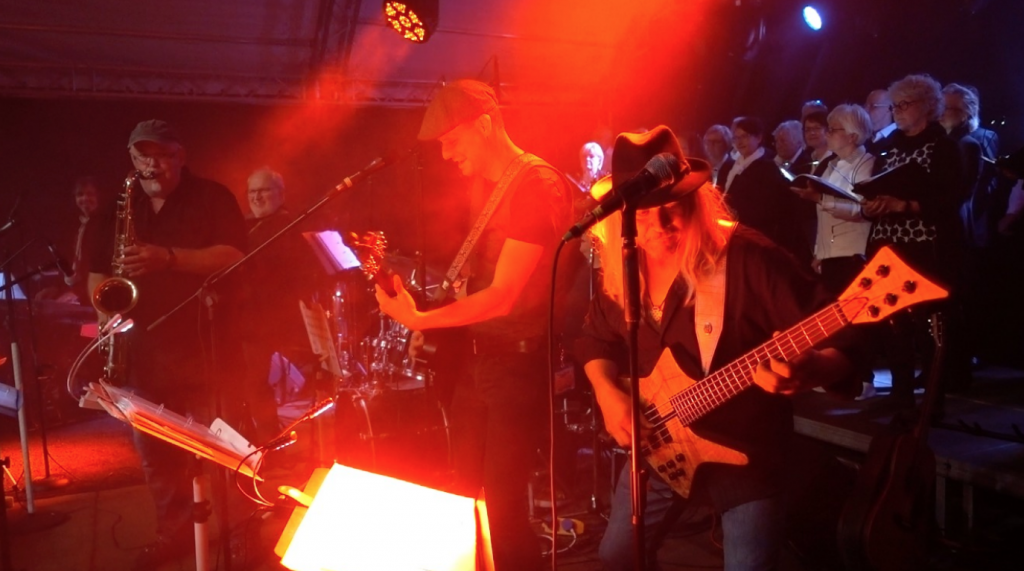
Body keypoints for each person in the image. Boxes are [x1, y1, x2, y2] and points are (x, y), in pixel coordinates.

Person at [576, 126, 859, 571]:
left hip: (744, 455)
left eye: (672, 209)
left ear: (694, 200)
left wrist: (814, 369)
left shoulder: (748, 256)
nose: (660, 227)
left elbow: (848, 335)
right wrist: (608, 395)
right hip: (659, 447)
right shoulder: (622, 265)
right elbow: (595, 339)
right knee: (617, 556)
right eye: (644, 216)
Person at [374, 79, 578, 571]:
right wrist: (432, 318)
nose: (446, 155)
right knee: (466, 498)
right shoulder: (488, 188)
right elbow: (475, 281)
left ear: (484, 125)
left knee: (503, 511)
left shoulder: (537, 186)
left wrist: (423, 317)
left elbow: (505, 296)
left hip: (518, 365)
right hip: (480, 361)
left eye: (452, 141)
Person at [88, 119, 247, 570]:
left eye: (160, 155)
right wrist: (104, 314)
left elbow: (235, 256)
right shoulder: (118, 208)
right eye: (142, 156)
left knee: (220, 451)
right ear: (131, 158)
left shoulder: (212, 197)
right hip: (140, 352)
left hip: (205, 349)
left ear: (181, 156)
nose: (150, 165)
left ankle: (237, 533)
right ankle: (174, 535)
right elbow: (98, 273)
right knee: (156, 457)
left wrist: (168, 258)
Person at [861, 74, 967, 406]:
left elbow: (952, 198)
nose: (897, 111)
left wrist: (905, 205)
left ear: (927, 106)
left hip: (926, 248)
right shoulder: (887, 147)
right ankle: (902, 399)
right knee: (894, 327)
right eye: (894, 105)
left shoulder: (943, 147)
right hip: (888, 247)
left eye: (904, 104)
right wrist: (871, 206)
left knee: (927, 327)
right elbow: (875, 190)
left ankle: (933, 402)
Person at [239, 167, 321, 443]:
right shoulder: (245, 226)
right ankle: (260, 435)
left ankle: (268, 439)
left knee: (255, 382)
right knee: (249, 382)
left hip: (271, 318)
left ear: (280, 194)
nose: (256, 197)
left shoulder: (290, 227)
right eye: (252, 191)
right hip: (247, 316)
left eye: (263, 190)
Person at [721, 116, 812, 263]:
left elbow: (766, 207)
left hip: (757, 236)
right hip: (737, 232)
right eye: (736, 138)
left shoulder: (767, 166)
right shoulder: (735, 165)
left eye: (745, 136)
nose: (740, 141)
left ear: (758, 137)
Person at [864, 88, 897, 156]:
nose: (866, 110)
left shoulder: (900, 137)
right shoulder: (864, 140)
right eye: (865, 106)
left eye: (872, 106)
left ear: (889, 108)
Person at [702, 124, 734, 188]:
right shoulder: (702, 166)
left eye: (716, 141)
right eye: (708, 141)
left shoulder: (734, 168)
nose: (711, 145)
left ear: (726, 144)